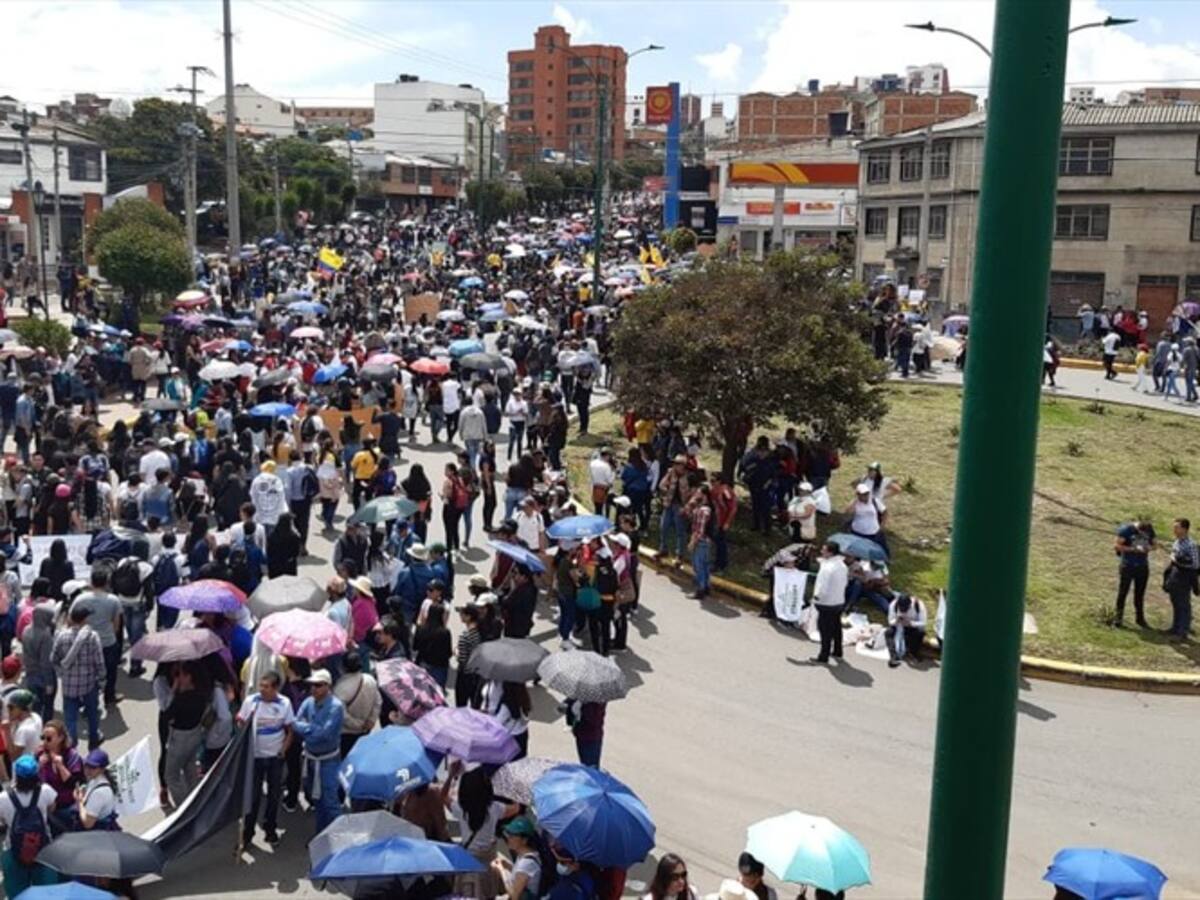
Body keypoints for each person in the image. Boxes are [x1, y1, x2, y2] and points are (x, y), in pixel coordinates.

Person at [237, 671, 294, 847]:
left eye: (267, 687)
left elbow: (290, 730)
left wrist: (283, 750)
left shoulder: (285, 703)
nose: (262, 690)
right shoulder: (251, 701)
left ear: (276, 688)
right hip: (255, 757)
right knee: (252, 797)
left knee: (273, 796)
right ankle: (247, 834)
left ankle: (270, 830)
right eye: (261, 686)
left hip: (275, 757)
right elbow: (240, 722)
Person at [292, 669, 344, 833]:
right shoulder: (308, 702)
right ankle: (321, 834)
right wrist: (313, 730)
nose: (313, 688)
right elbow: (295, 723)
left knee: (331, 802)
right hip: (311, 759)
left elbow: (325, 734)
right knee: (318, 800)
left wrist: (307, 730)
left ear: (328, 686)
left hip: (328, 760)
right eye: (312, 685)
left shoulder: (336, 707)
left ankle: (337, 838)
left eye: (318, 685)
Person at [0, 754, 56, 898]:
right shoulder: (46, 790)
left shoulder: (3, 797)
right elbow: (52, 808)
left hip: (13, 849)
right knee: (46, 893)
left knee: (17, 893)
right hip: (44, 848)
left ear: (16, 775)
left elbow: (2, 820)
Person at [51, 606, 104, 749]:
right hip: (89, 684)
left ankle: (72, 745)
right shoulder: (93, 637)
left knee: (70, 718)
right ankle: (93, 739)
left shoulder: (62, 636)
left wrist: (62, 673)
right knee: (92, 714)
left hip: (69, 685)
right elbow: (99, 662)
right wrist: (102, 680)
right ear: (85, 619)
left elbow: (54, 658)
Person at [69, 568, 123, 707]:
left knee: (88, 672)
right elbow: (116, 625)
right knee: (110, 671)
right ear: (106, 583)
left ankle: (89, 701)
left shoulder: (80, 599)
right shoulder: (113, 600)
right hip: (107, 641)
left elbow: (70, 620)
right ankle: (109, 697)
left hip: (85, 641)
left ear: (91, 582)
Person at [333, 651, 380, 758]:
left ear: (343, 667)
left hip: (347, 733)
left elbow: (341, 714)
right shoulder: (370, 680)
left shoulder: (340, 688)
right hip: (366, 729)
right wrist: (371, 720)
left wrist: (358, 725)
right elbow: (378, 701)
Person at [811, 541, 849, 664]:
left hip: (826, 603)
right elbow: (845, 583)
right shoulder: (842, 566)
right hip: (839, 600)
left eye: (824, 550)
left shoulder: (827, 567)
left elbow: (822, 586)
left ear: (830, 553)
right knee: (836, 626)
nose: (821, 552)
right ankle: (838, 650)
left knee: (825, 629)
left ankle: (824, 655)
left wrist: (816, 597)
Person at [1113, 518, 1154, 629]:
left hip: (1142, 566)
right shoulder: (1126, 530)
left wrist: (1148, 548)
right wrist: (1132, 549)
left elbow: (1155, 545)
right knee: (1123, 593)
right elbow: (1117, 546)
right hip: (1128, 565)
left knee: (1139, 594)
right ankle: (1118, 618)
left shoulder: (1149, 529)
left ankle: (1140, 619)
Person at [1164, 517, 1199, 641]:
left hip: (1185, 577)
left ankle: (1182, 632)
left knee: (1183, 604)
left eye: (1177, 527)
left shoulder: (1191, 545)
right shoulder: (1177, 542)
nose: (1174, 530)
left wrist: (1180, 562)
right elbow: (1173, 555)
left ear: (1184, 529)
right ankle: (1175, 627)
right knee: (1175, 602)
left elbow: (1196, 564)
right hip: (1175, 575)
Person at [492, 815, 542, 900]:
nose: (509, 838)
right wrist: (507, 865)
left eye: (513, 836)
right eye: (509, 834)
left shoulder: (527, 863)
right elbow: (519, 873)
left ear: (524, 840)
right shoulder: (525, 855)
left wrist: (501, 871)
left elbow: (514, 896)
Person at [75, 748, 119, 831]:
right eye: (86, 765)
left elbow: (87, 823)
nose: (87, 770)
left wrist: (79, 802)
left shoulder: (99, 793)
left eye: (93, 767)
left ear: (102, 769)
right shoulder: (95, 779)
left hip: (96, 832)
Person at [413, 603, 453, 688]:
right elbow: (448, 653)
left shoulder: (420, 629)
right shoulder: (445, 632)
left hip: (423, 662)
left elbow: (415, 647)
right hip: (439, 666)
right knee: (436, 691)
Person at [885, 594, 928, 667]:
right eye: (901, 609)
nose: (904, 612)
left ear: (910, 605)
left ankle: (914, 652)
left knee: (920, 633)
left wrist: (911, 623)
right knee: (888, 633)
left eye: (905, 609)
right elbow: (890, 621)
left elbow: (923, 622)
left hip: (912, 627)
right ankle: (893, 656)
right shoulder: (893, 605)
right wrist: (897, 620)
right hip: (898, 626)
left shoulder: (919, 605)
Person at [567, 698, 605, 768]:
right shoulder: (586, 695)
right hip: (584, 734)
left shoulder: (596, 699)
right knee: (587, 765)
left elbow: (592, 717)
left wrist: (579, 709)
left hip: (590, 737)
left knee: (590, 767)